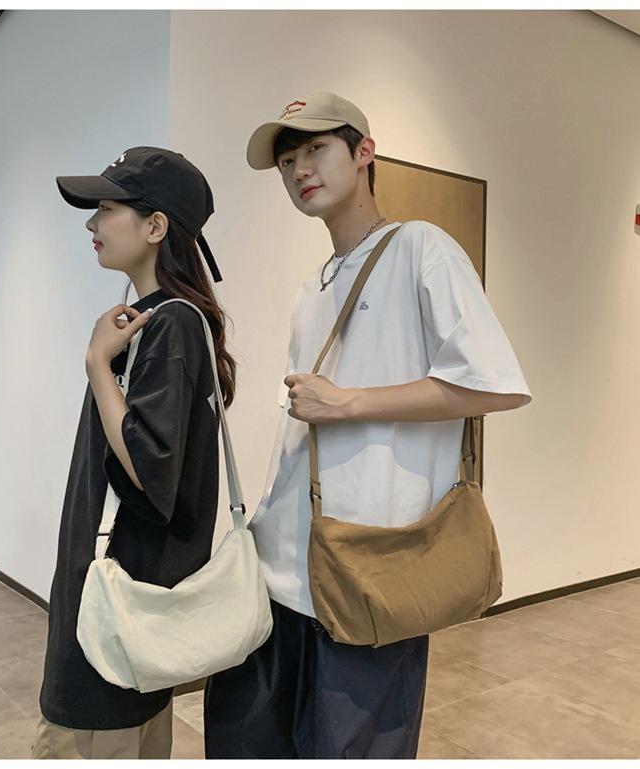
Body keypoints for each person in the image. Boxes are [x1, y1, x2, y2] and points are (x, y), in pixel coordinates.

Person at [203, 91, 532, 759]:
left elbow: (493, 385)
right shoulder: (312, 288)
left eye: (316, 149)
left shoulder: (421, 249)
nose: (300, 169)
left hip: (370, 572)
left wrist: (349, 402)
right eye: (287, 161)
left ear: (364, 152)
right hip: (283, 565)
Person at [31, 146, 236, 759]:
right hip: (131, 605)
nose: (92, 224)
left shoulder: (168, 324)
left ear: (155, 226)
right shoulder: (161, 320)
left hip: (114, 609)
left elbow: (150, 470)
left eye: (107, 209)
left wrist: (98, 365)